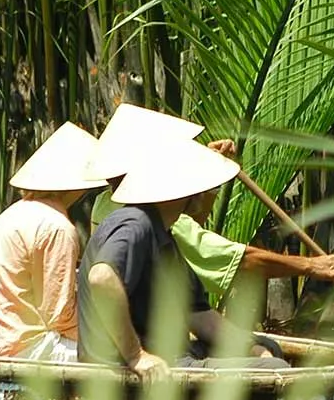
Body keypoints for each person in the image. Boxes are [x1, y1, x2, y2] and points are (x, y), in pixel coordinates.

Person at [84, 105, 334, 307]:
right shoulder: (142, 218)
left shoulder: (106, 204)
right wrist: (311, 266)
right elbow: (241, 261)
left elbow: (192, 219)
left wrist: (205, 172)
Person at [79, 136, 289, 375]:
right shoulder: (136, 223)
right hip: (134, 367)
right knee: (274, 368)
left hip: (174, 354)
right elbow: (102, 278)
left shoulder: (164, 236)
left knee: (267, 347)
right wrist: (137, 356)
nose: (205, 193)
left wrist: (251, 347)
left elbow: (199, 316)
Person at [0, 122, 102, 362]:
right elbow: (59, 315)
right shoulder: (58, 227)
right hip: (25, 350)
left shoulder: (13, 214)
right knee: (119, 356)